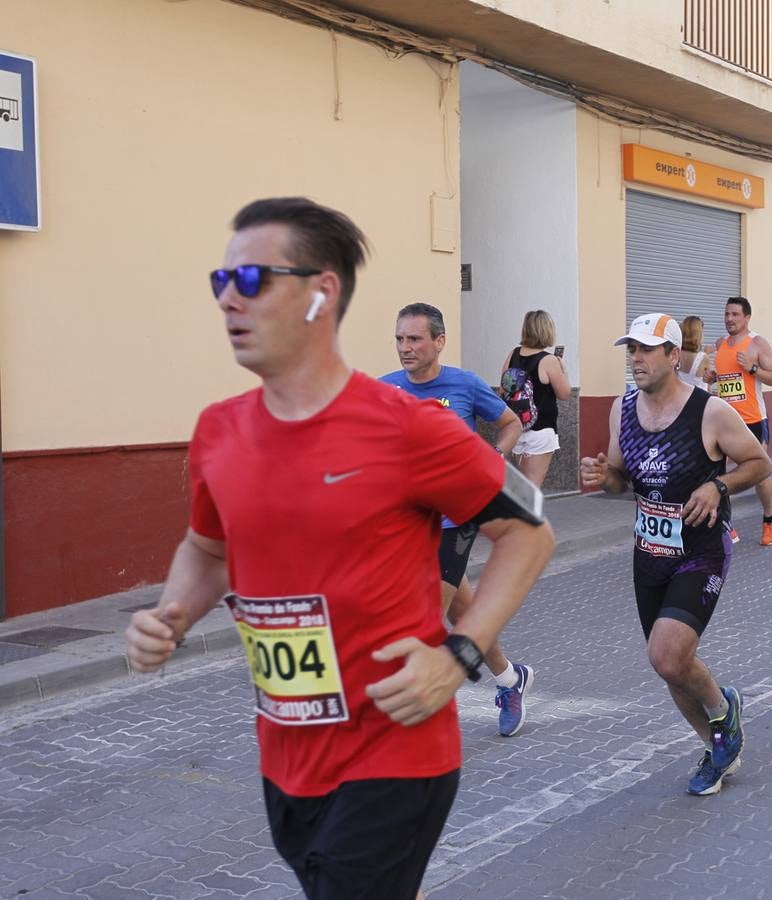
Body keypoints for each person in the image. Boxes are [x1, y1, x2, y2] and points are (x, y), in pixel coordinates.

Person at [124, 197, 554, 899]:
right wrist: (170, 613)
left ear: (322, 293)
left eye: (254, 279)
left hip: (396, 747)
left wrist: (461, 654)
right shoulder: (218, 431)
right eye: (220, 282)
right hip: (285, 755)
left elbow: (529, 535)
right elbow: (207, 550)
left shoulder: (409, 427)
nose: (230, 298)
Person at [581, 313, 771, 796]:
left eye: (646, 349)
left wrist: (717, 485)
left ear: (673, 355)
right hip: (650, 552)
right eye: (631, 350)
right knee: (667, 664)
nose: (636, 359)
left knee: (668, 654)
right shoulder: (623, 409)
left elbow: (759, 462)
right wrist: (603, 476)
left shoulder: (708, 412)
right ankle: (717, 746)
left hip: (700, 549)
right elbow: (621, 479)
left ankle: (725, 709)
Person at [380, 302, 537, 738]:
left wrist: (493, 455)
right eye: (399, 339)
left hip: (458, 516)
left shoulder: (464, 385)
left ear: (439, 341)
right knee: (465, 616)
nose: (405, 348)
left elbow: (510, 423)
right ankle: (510, 679)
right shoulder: (384, 389)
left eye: (414, 339)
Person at [708, 296, 772, 546]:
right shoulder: (721, 344)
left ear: (747, 317)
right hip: (724, 420)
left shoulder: (757, 343)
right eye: (727, 314)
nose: (729, 319)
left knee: (760, 473)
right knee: (716, 473)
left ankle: (769, 520)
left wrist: (752, 369)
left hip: (752, 420)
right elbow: (724, 377)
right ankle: (727, 525)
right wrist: (712, 376)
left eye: (735, 314)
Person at [502, 310, 572, 487]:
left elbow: (503, 390)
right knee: (532, 487)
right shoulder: (549, 360)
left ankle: (521, 514)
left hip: (516, 428)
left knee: (522, 486)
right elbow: (564, 394)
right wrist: (564, 369)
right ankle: (529, 516)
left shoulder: (513, 355)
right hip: (541, 430)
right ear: (547, 330)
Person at [677, 315, 712, 390]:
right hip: (699, 399)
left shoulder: (675, 354)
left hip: (679, 398)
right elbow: (708, 384)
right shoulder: (703, 358)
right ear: (698, 334)